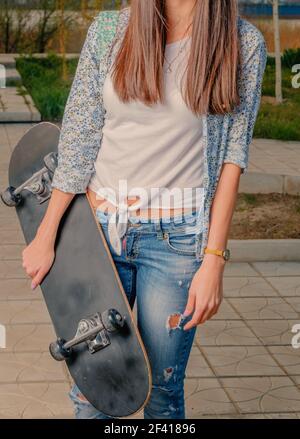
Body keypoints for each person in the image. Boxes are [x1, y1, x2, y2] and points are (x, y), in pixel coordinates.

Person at [22, 0, 267, 419]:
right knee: (93, 389)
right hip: (97, 235)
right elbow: (79, 140)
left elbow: (231, 158)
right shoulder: (109, 31)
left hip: (178, 241)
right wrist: (46, 236)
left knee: (163, 391)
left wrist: (214, 260)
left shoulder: (242, 42)